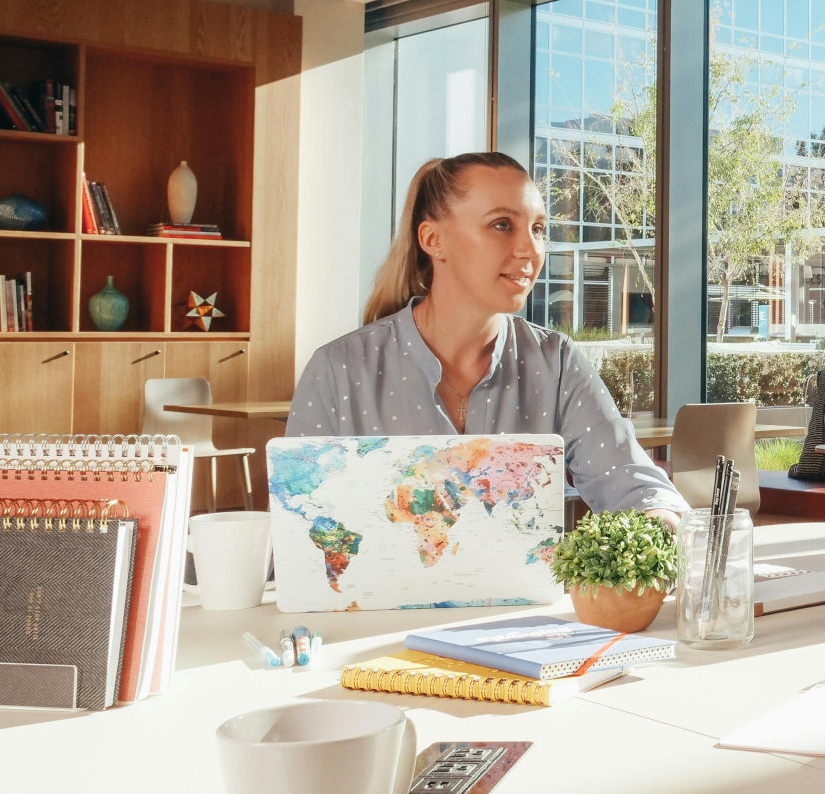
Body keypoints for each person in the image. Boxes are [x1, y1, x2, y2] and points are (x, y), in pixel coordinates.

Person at [290, 152, 686, 522]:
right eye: (502, 225)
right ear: (432, 240)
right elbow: (297, 527)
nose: (530, 249)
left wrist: (660, 524)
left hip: (529, 601)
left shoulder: (558, 364)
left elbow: (634, 487)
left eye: (538, 229)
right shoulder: (338, 371)